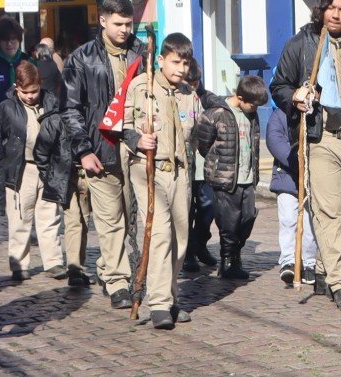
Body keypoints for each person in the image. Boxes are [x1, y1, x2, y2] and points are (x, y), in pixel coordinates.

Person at [271, 0, 341, 312]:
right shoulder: (302, 43)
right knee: (329, 211)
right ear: (321, 8)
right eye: (331, 7)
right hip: (319, 137)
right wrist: (294, 95)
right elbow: (278, 86)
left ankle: (325, 269)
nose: (336, 14)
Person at [124, 31, 212, 329]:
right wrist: (138, 139)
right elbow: (121, 126)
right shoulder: (142, 86)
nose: (181, 69)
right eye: (175, 62)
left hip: (180, 171)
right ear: (161, 60)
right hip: (148, 169)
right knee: (159, 233)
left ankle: (171, 297)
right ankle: (159, 303)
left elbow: (200, 130)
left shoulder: (189, 94)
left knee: (179, 237)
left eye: (186, 63)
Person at [57, 0, 140, 304]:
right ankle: (118, 282)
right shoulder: (81, 59)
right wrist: (83, 150)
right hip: (99, 147)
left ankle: (108, 267)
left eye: (129, 24)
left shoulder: (141, 54)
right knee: (110, 218)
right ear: (103, 20)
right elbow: (70, 109)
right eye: (118, 24)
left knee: (130, 215)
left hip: (134, 150)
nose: (124, 30)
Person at [0, 59, 65, 282]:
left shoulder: (51, 102)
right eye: (25, 92)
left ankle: (53, 261)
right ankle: (18, 263)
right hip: (21, 168)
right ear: (17, 88)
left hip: (47, 167)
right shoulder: (6, 108)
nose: (30, 96)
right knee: (20, 218)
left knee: (49, 216)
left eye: (34, 91)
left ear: (40, 85)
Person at [196, 73, 266, 282]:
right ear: (240, 98)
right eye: (252, 105)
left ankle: (236, 254)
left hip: (247, 177)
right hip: (225, 179)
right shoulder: (217, 113)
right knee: (229, 222)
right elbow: (203, 144)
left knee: (247, 218)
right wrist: (217, 164)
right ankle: (228, 262)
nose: (255, 109)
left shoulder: (252, 115)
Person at [267, 98, 321, 286]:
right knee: (289, 221)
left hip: (311, 177)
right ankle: (288, 260)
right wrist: (297, 162)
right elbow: (275, 141)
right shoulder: (279, 115)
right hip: (287, 178)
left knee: (309, 224)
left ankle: (309, 263)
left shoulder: (314, 112)